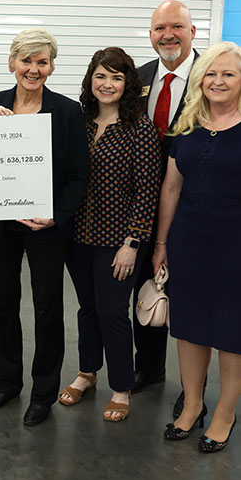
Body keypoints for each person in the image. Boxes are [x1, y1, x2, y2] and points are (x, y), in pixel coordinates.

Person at [153, 41, 241, 453]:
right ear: (200, 80)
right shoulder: (189, 124)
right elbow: (171, 188)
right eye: (211, 73)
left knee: (236, 334)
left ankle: (224, 413)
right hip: (190, 243)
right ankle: (192, 404)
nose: (218, 80)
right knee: (190, 329)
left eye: (228, 73)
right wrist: (161, 242)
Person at [0, 29, 88, 426]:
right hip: (3, 226)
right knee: (4, 304)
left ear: (52, 67)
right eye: (27, 61)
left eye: (43, 62)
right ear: (12, 64)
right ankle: (7, 382)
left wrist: (57, 215)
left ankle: (43, 392)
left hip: (46, 228)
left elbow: (78, 175)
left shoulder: (67, 111)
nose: (34, 69)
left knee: (47, 309)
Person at [60, 47, 160, 422]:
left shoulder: (140, 128)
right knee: (87, 309)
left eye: (116, 77)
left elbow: (148, 190)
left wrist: (133, 244)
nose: (108, 84)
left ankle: (120, 387)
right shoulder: (78, 120)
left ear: (128, 83)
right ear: (90, 80)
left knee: (113, 311)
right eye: (101, 76)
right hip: (77, 235)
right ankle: (87, 373)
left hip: (119, 241)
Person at [134, 0, 200, 415]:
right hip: (141, 207)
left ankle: (193, 387)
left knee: (192, 296)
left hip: (194, 208)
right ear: (151, 34)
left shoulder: (212, 75)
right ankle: (150, 368)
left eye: (176, 26)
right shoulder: (138, 77)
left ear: (193, 31)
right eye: (160, 28)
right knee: (146, 287)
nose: (168, 35)